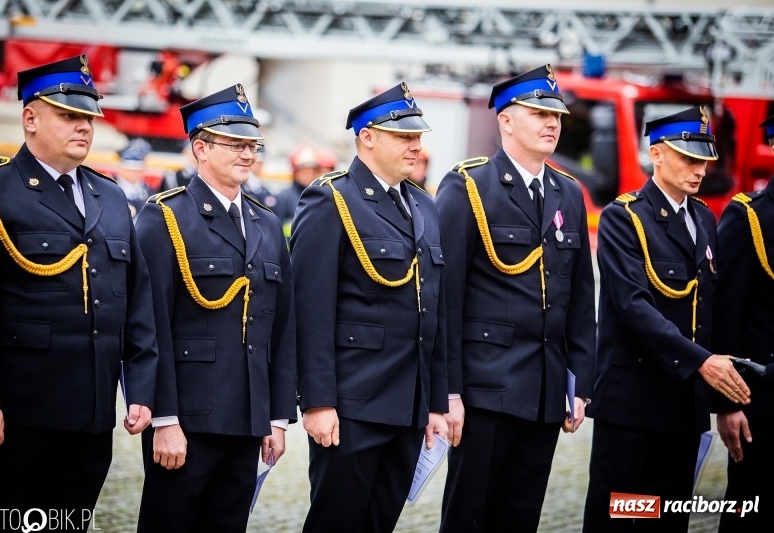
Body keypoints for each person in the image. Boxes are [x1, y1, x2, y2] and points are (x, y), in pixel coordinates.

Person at [0, 55, 157, 524]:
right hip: (18, 414)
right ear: (30, 118)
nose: (84, 127)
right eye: (69, 116)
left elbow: (135, 302)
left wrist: (140, 389)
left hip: (91, 415)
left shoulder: (110, 195)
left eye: (88, 118)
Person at [435, 64, 596, 533]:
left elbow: (580, 297)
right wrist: (450, 391)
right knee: (469, 516)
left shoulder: (568, 192)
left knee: (520, 517)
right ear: (505, 120)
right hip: (486, 389)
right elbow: (446, 299)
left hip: (545, 392)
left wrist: (580, 382)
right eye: (538, 113)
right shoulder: (469, 187)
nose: (552, 123)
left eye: (557, 115)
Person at [135, 83, 297, 533]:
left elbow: (281, 329)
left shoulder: (266, 224)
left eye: (253, 145)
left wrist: (276, 417)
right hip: (187, 418)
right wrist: (164, 419)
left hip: (247, 420)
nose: (248, 154)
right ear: (200, 149)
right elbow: (151, 328)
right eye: (235, 144)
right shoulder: (165, 217)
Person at [583, 106, 752, 532]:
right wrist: (700, 361)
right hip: (632, 404)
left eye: (704, 161)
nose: (699, 171)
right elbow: (633, 306)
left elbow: (711, 312)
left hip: (682, 408)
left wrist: (723, 401)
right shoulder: (625, 217)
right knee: (620, 518)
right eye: (689, 159)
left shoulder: (704, 219)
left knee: (664, 520)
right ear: (656, 154)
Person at [290, 82, 448, 532]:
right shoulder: (332, 198)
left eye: (418, 137)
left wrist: (435, 401)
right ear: (368, 137)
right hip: (353, 405)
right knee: (336, 522)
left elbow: (432, 311)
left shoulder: (422, 204)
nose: (416, 146)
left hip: (409, 405)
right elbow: (310, 309)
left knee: (380, 523)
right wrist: (317, 402)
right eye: (404, 136)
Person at [713, 115, 774, 533]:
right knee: (749, 509)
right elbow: (725, 315)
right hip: (763, 402)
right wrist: (728, 404)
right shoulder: (749, 216)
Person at [275, 144, 320, 239]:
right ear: (295, 172)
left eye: (312, 171)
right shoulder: (283, 198)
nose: (309, 175)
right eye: (304, 171)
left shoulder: (321, 196)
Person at [115, 137, 153, 220]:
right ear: (121, 169)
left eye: (137, 170)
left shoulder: (149, 192)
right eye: (129, 170)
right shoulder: (111, 188)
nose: (133, 174)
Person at [243, 145, 279, 210]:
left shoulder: (264, 189)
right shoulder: (240, 185)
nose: (259, 165)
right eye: (257, 161)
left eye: (261, 162)